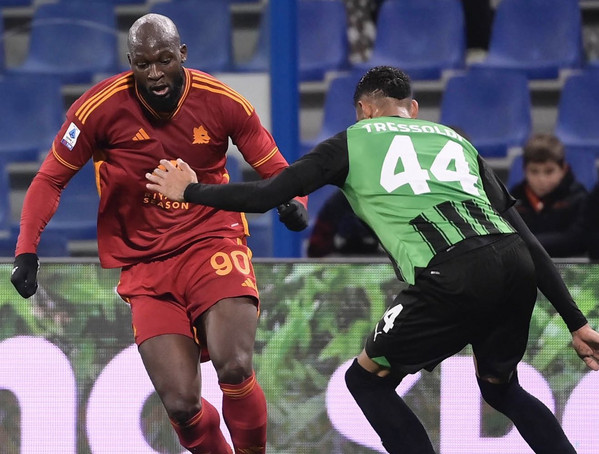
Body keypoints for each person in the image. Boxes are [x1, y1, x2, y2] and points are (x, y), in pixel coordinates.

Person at [146, 66, 599, 453]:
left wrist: (190, 190)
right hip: (514, 262)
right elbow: (527, 239)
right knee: (502, 388)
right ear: (412, 108)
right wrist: (576, 323)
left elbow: (266, 195)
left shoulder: (351, 141)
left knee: (366, 382)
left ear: (363, 110)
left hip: (450, 271)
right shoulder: (455, 140)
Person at [10, 14, 308, 454]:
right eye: (143, 64)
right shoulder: (96, 110)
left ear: (182, 54)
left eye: (164, 60)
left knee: (234, 366)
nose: (154, 73)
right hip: (146, 264)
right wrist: (27, 250)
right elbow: (50, 179)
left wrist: (294, 202)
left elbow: (277, 168)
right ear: (130, 61)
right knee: (182, 406)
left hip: (212, 241)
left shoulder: (223, 102)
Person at [510, 133, 588, 257]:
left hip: (570, 265)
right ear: (524, 170)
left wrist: (528, 243)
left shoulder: (578, 197)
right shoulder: (513, 199)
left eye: (549, 171)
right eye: (534, 171)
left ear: (563, 169)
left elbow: (578, 239)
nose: (541, 179)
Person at [307, 188, 383, 257]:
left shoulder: (381, 200)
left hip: (376, 258)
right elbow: (315, 249)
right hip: (340, 260)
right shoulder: (335, 204)